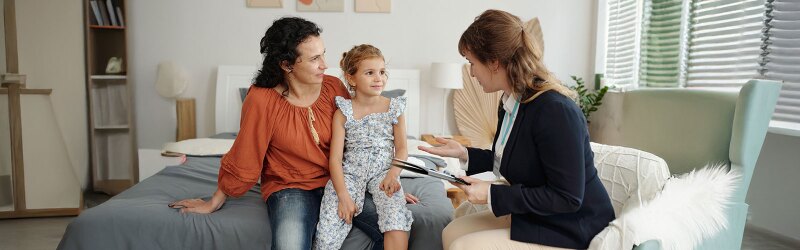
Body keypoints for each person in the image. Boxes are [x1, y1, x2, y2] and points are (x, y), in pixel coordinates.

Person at [168, 17, 418, 250]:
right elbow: (246, 152)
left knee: (397, 227)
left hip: (340, 181)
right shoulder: (262, 100)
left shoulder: (334, 87)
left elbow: (359, 141)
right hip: (290, 187)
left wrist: (383, 184)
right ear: (287, 64)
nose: (325, 65)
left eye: (323, 54)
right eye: (314, 59)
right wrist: (215, 200)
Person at [419, 9, 615, 250]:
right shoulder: (511, 102)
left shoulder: (555, 111)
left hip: (573, 226)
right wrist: (464, 153)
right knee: (452, 231)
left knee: (464, 245)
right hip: (541, 216)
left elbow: (567, 197)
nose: (471, 72)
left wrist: (491, 194)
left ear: (494, 62)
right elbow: (512, 159)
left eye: (472, 63)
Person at [314, 44, 413, 250]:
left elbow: (402, 149)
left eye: (382, 72)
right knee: (327, 234)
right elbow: (335, 159)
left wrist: (393, 175)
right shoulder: (343, 112)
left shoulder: (394, 108)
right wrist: (343, 196)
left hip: (383, 174)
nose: (379, 78)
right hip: (350, 175)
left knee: (396, 217)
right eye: (370, 73)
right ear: (351, 79)